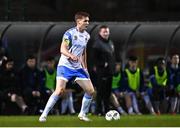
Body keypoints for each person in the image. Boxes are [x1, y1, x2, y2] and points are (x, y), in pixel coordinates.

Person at [39, 11, 94, 122]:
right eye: (85, 21)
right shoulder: (69, 34)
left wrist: (85, 68)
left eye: (88, 20)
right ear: (78, 21)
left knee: (90, 91)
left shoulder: (87, 36)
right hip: (65, 66)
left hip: (78, 68)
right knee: (59, 91)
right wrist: (71, 55)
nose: (88, 23)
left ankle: (82, 114)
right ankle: (44, 115)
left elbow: (83, 53)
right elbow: (62, 49)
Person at [92, 25, 116, 115]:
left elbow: (113, 56)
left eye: (107, 31)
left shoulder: (110, 43)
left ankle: (106, 110)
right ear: (100, 33)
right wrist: (103, 64)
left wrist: (113, 67)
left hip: (110, 71)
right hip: (102, 72)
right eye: (104, 32)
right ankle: (98, 111)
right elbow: (94, 58)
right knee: (101, 92)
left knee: (108, 93)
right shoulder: (97, 44)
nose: (106, 33)